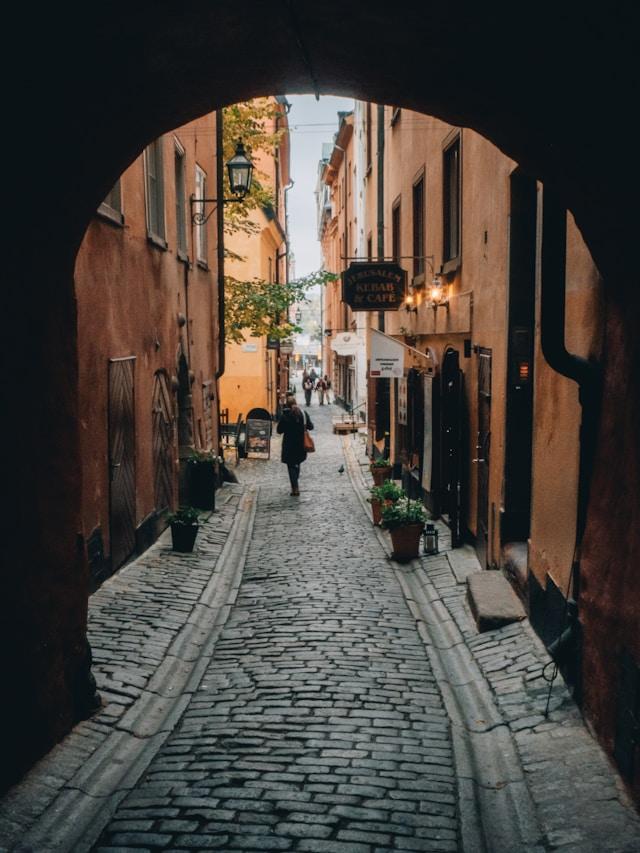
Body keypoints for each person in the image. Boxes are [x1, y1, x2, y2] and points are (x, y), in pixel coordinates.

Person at [277, 394, 313, 496]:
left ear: (287, 405)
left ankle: (295, 488)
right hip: (300, 444)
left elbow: (279, 430)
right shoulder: (303, 414)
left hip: (289, 445)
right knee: (297, 463)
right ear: (296, 403)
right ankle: (295, 484)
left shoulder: (285, 416)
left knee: (291, 465)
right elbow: (311, 426)